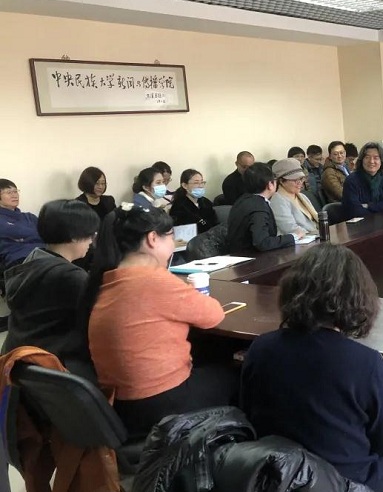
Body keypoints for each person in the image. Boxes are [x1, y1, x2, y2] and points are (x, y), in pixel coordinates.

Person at [241, 244, 383, 492]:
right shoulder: (366, 362)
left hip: (277, 480)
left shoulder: (260, 348)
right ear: (357, 297)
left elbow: (248, 414)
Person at [84, 204, 235, 437]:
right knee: (236, 372)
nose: (173, 245)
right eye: (171, 237)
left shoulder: (108, 279)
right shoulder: (154, 281)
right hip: (160, 404)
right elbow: (213, 315)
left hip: (121, 404)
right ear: (153, 238)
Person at [1, 200, 99, 379]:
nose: (91, 242)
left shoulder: (32, 261)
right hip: (55, 367)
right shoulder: (70, 277)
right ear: (74, 236)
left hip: (21, 362)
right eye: (90, 235)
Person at [227, 162, 297, 254]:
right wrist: (292, 237)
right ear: (270, 185)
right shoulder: (258, 207)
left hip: (240, 255)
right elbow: (262, 243)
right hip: (253, 258)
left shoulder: (242, 200)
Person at [342, 142, 383, 219]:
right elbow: (356, 210)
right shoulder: (351, 180)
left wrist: (369, 206)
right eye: (367, 157)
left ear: (381, 161)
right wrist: (382, 207)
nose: (371, 161)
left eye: (376, 158)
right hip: (360, 224)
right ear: (361, 160)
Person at [0, 179, 44, 270]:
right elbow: (14, 231)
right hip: (19, 260)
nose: (14, 195)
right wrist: (33, 234)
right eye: (9, 192)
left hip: (43, 255)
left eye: (15, 191)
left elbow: (47, 234)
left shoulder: (29, 217)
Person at [270, 158, 319, 236]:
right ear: (282, 181)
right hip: (300, 241)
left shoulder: (302, 196)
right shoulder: (278, 200)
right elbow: (290, 229)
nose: (300, 183)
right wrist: (316, 234)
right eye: (295, 180)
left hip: (314, 236)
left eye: (301, 179)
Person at [169, 169, 218, 234]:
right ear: (185, 185)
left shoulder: (206, 202)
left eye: (202, 182)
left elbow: (214, 222)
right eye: (196, 183)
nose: (200, 186)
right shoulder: (178, 206)